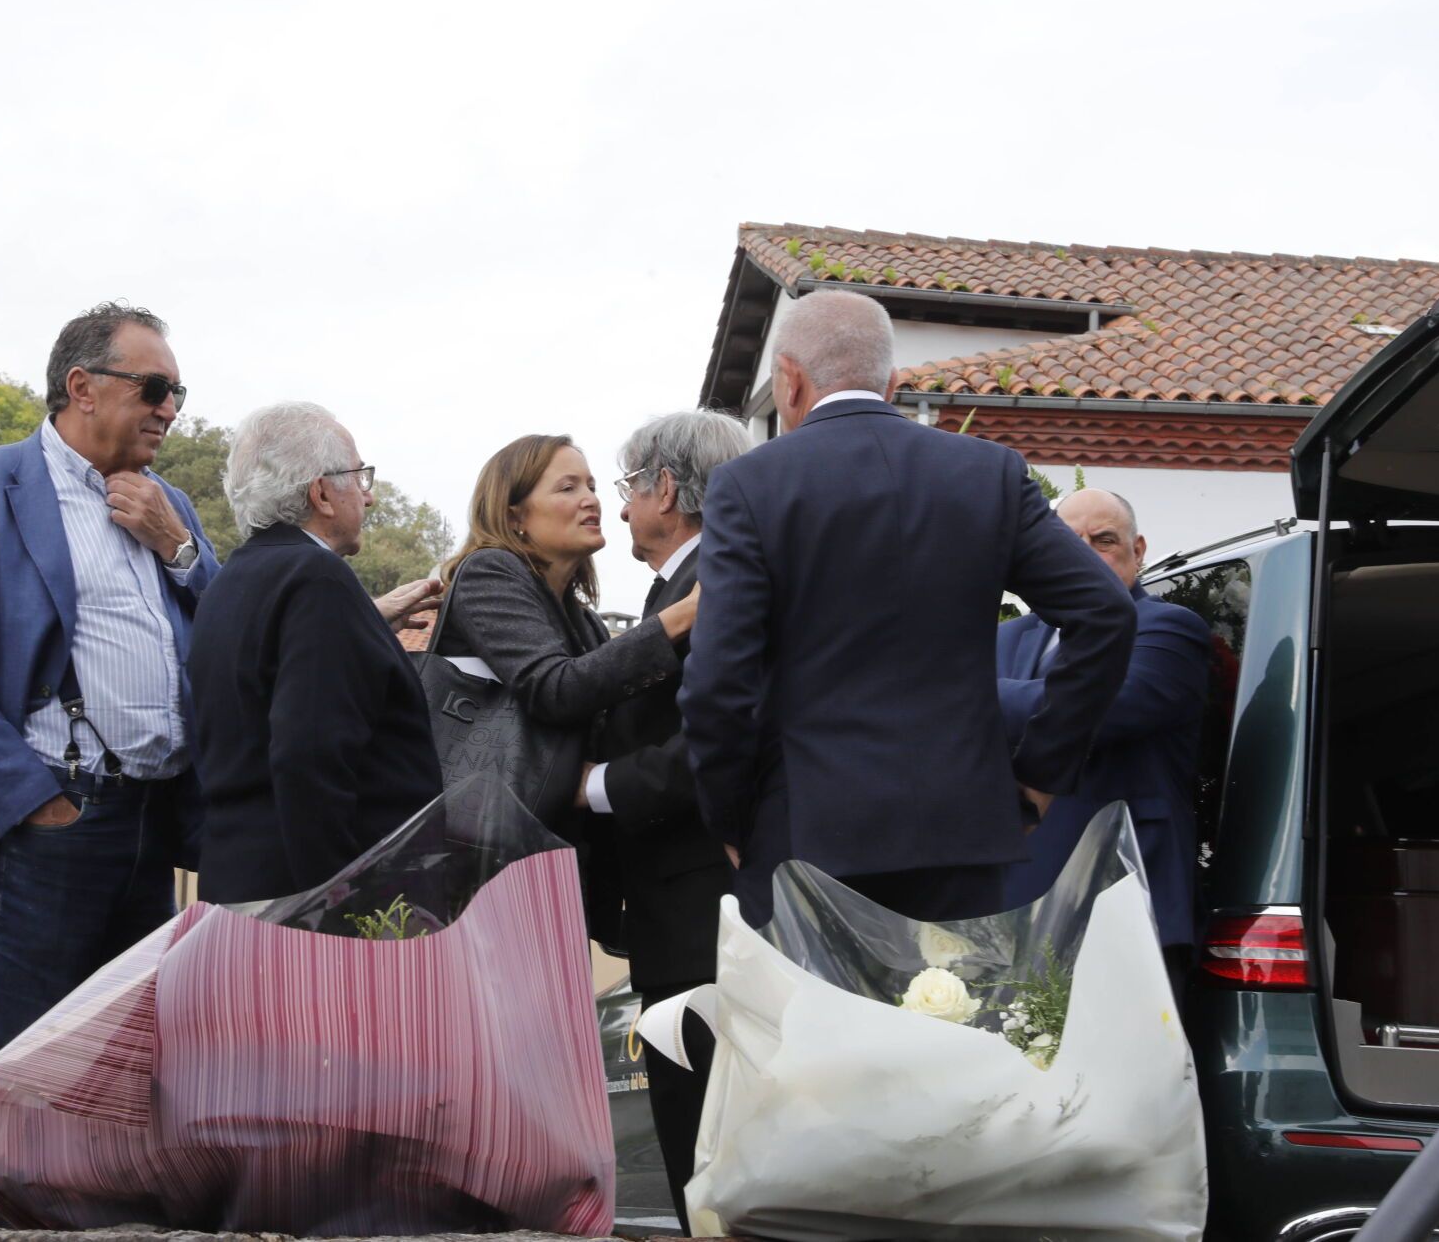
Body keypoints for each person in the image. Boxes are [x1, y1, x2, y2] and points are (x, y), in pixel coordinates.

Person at [0, 301, 224, 1227]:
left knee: (128, 1074)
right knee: (9, 1068)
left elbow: (228, 633)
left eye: (178, 393)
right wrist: (35, 802)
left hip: (154, 824)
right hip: (53, 821)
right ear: (82, 387)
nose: (170, 409)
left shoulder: (174, 505)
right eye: (154, 388)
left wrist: (182, 547)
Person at [679, 289, 1136, 928]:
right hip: (962, 832)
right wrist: (1041, 773)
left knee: (817, 1028)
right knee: (953, 1020)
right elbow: (1107, 614)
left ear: (788, 378)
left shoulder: (752, 486)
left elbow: (717, 682)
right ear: (892, 383)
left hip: (805, 834)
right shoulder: (990, 473)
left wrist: (730, 818)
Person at [590, 409, 750, 1233]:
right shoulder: (674, 586)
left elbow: (716, 735)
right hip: (674, 909)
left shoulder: (717, 581)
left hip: (705, 909)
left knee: (710, 1148)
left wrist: (599, 786)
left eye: (626, 488)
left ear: (665, 487)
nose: (619, 510)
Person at [189, 402, 442, 904]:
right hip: (310, 902)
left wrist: (367, 625)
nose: (368, 498)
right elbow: (309, 757)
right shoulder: (317, 579)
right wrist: (338, 901)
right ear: (321, 492)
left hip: (243, 882)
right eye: (359, 477)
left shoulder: (231, 581)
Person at [430, 435, 699, 851]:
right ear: (514, 512)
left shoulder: (586, 623)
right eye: (568, 487)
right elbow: (554, 688)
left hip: (559, 844)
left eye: (591, 485)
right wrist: (684, 613)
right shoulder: (488, 572)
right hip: (484, 848)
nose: (591, 499)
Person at [997, 488, 1208, 991]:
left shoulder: (1169, 628)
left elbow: (1100, 709)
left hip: (1126, 899)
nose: (1086, 553)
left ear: (1138, 551)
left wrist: (963, 695)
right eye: (1069, 542)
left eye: (1104, 540)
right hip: (1011, 907)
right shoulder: (1007, 638)